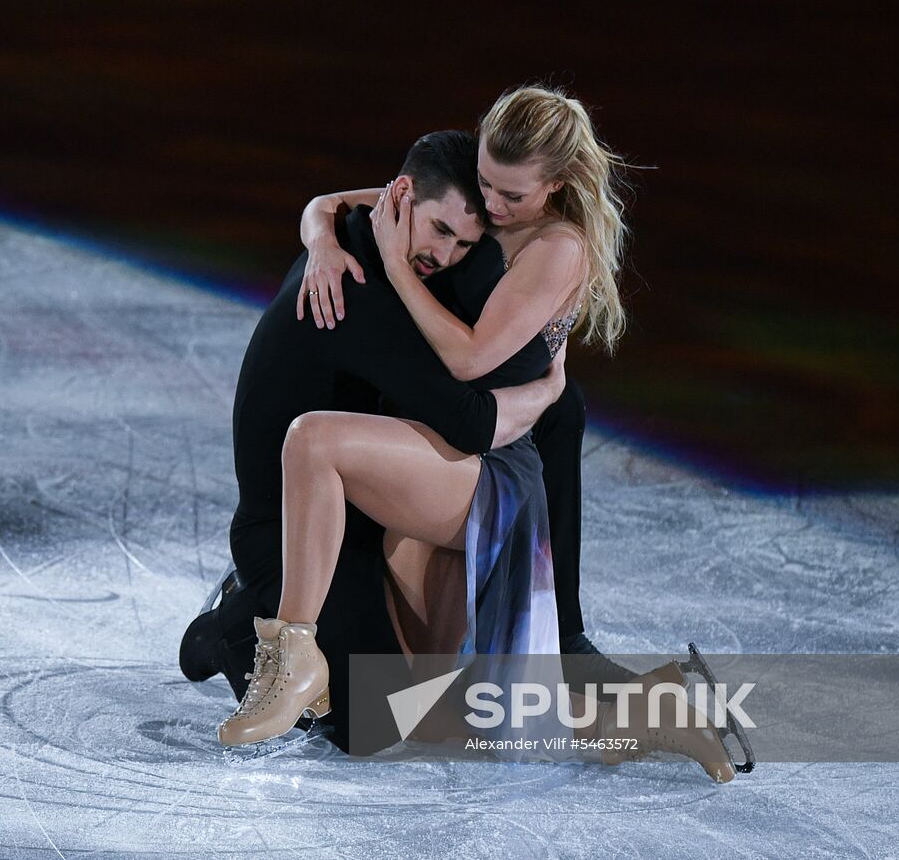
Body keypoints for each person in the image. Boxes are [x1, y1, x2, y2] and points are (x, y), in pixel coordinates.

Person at [221, 86, 735, 781]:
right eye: (486, 183)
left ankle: (291, 652)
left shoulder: (554, 245)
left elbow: (467, 366)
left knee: (314, 441)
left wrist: (400, 268)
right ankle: (645, 712)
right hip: (452, 460)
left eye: (509, 196)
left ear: (555, 185)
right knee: (440, 709)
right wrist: (319, 236)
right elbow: (342, 204)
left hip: (489, 463)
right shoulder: (477, 209)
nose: (491, 207)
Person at [180, 130, 568, 754]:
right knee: (372, 724)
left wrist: (320, 226)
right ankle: (240, 623)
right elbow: (468, 422)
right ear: (404, 198)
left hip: (345, 514)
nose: (447, 255)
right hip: (280, 534)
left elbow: (334, 202)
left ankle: (255, 628)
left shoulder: (363, 236)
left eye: (466, 243)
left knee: (409, 697)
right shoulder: (356, 286)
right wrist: (547, 393)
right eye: (441, 230)